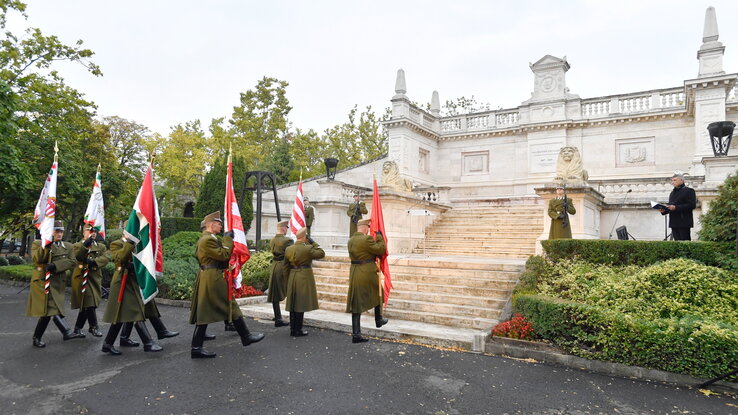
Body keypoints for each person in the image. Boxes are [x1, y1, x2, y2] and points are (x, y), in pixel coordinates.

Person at [190, 211, 264, 358]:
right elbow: (223, 255)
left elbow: (221, 258)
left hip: (211, 275)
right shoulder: (207, 240)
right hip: (212, 277)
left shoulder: (209, 238)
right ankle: (246, 336)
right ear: (211, 225)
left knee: (206, 311)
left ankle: (197, 347)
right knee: (230, 304)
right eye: (218, 223)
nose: (221, 225)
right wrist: (228, 240)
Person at [101, 232, 162, 355]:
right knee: (135, 311)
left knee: (120, 316)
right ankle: (148, 342)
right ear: (126, 231)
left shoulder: (139, 245)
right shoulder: (116, 244)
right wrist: (129, 243)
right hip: (122, 283)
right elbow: (120, 258)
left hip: (134, 282)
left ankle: (107, 344)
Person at [28, 221, 85, 347]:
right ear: (50, 232)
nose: (59, 234)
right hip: (43, 281)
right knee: (51, 308)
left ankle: (37, 337)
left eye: (61, 231)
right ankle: (66, 331)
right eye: (56, 231)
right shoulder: (38, 243)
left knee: (48, 312)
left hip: (58, 282)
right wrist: (46, 245)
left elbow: (72, 262)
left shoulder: (67, 246)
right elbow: (38, 260)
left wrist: (56, 265)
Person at [346, 219, 388, 343]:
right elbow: (381, 249)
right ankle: (378, 320)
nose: (369, 229)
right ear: (364, 227)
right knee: (378, 292)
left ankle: (356, 334)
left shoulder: (351, 240)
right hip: (366, 272)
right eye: (368, 227)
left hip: (354, 272)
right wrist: (379, 237)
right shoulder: (366, 239)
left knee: (356, 303)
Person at [70, 224, 110, 338]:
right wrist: (85, 245)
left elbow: (106, 258)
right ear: (84, 232)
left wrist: (94, 262)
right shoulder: (77, 245)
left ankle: (77, 328)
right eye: (90, 230)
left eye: (94, 231)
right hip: (82, 277)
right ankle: (94, 327)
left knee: (87, 304)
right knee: (90, 301)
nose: (93, 233)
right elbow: (78, 257)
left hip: (94, 277)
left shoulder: (100, 246)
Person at [284, 227, 324, 337]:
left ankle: (293, 328)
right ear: (305, 237)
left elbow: (285, 267)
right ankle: (298, 329)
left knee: (293, 303)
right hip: (303, 276)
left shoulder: (289, 249)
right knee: (300, 304)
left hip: (293, 275)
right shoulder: (308, 248)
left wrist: (288, 279)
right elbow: (321, 253)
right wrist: (312, 242)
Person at [267, 220, 292, 327]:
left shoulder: (272, 240)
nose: (287, 229)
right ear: (283, 228)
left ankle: (278, 317)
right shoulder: (287, 240)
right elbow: (291, 254)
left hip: (275, 266)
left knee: (275, 293)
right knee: (291, 291)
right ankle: (292, 318)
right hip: (284, 266)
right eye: (286, 227)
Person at [659, 173, 697, 241]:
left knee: (685, 243)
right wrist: (664, 211)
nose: (672, 182)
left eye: (675, 180)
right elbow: (671, 206)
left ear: (682, 180)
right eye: (672, 180)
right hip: (674, 222)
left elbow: (692, 205)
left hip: (684, 221)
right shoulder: (672, 193)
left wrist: (676, 207)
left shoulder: (689, 191)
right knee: (676, 244)